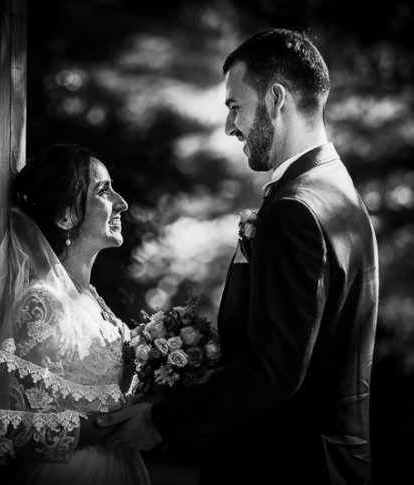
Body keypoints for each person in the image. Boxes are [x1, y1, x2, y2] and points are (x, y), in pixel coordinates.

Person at [96, 28, 379, 484]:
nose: (230, 126)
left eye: (234, 107)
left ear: (275, 99)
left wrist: (162, 422)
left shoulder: (295, 211)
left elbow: (273, 371)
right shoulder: (338, 189)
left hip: (286, 465)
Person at [0, 144, 151, 485]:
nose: (121, 203)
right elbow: (20, 429)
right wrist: (125, 422)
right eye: (103, 190)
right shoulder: (41, 303)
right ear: (66, 216)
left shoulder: (93, 300)